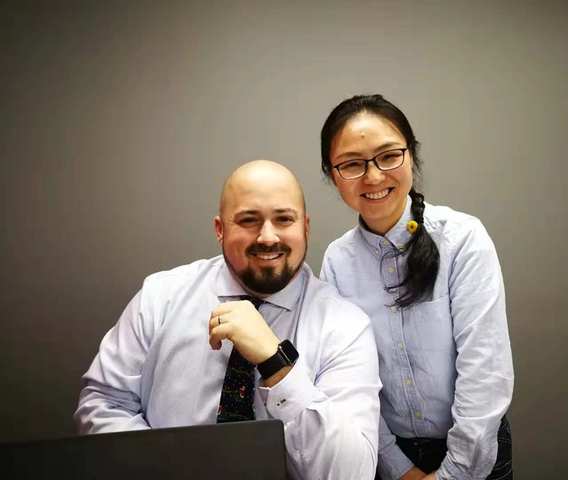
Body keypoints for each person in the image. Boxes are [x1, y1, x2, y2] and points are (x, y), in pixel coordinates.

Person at [74, 160, 381, 480]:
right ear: (220, 229)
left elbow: (351, 474)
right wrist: (164, 468)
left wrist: (277, 364)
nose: (268, 237)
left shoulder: (346, 326)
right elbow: (103, 406)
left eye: (284, 219)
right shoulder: (159, 297)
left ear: (305, 227)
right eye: (249, 220)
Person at [319, 95, 514, 480]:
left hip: (474, 451)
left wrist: (453, 473)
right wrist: (398, 468)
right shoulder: (337, 262)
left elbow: (486, 371)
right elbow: (348, 382)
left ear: (411, 155)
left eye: (388, 156)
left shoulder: (462, 239)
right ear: (332, 173)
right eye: (352, 164)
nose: (374, 177)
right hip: (385, 456)